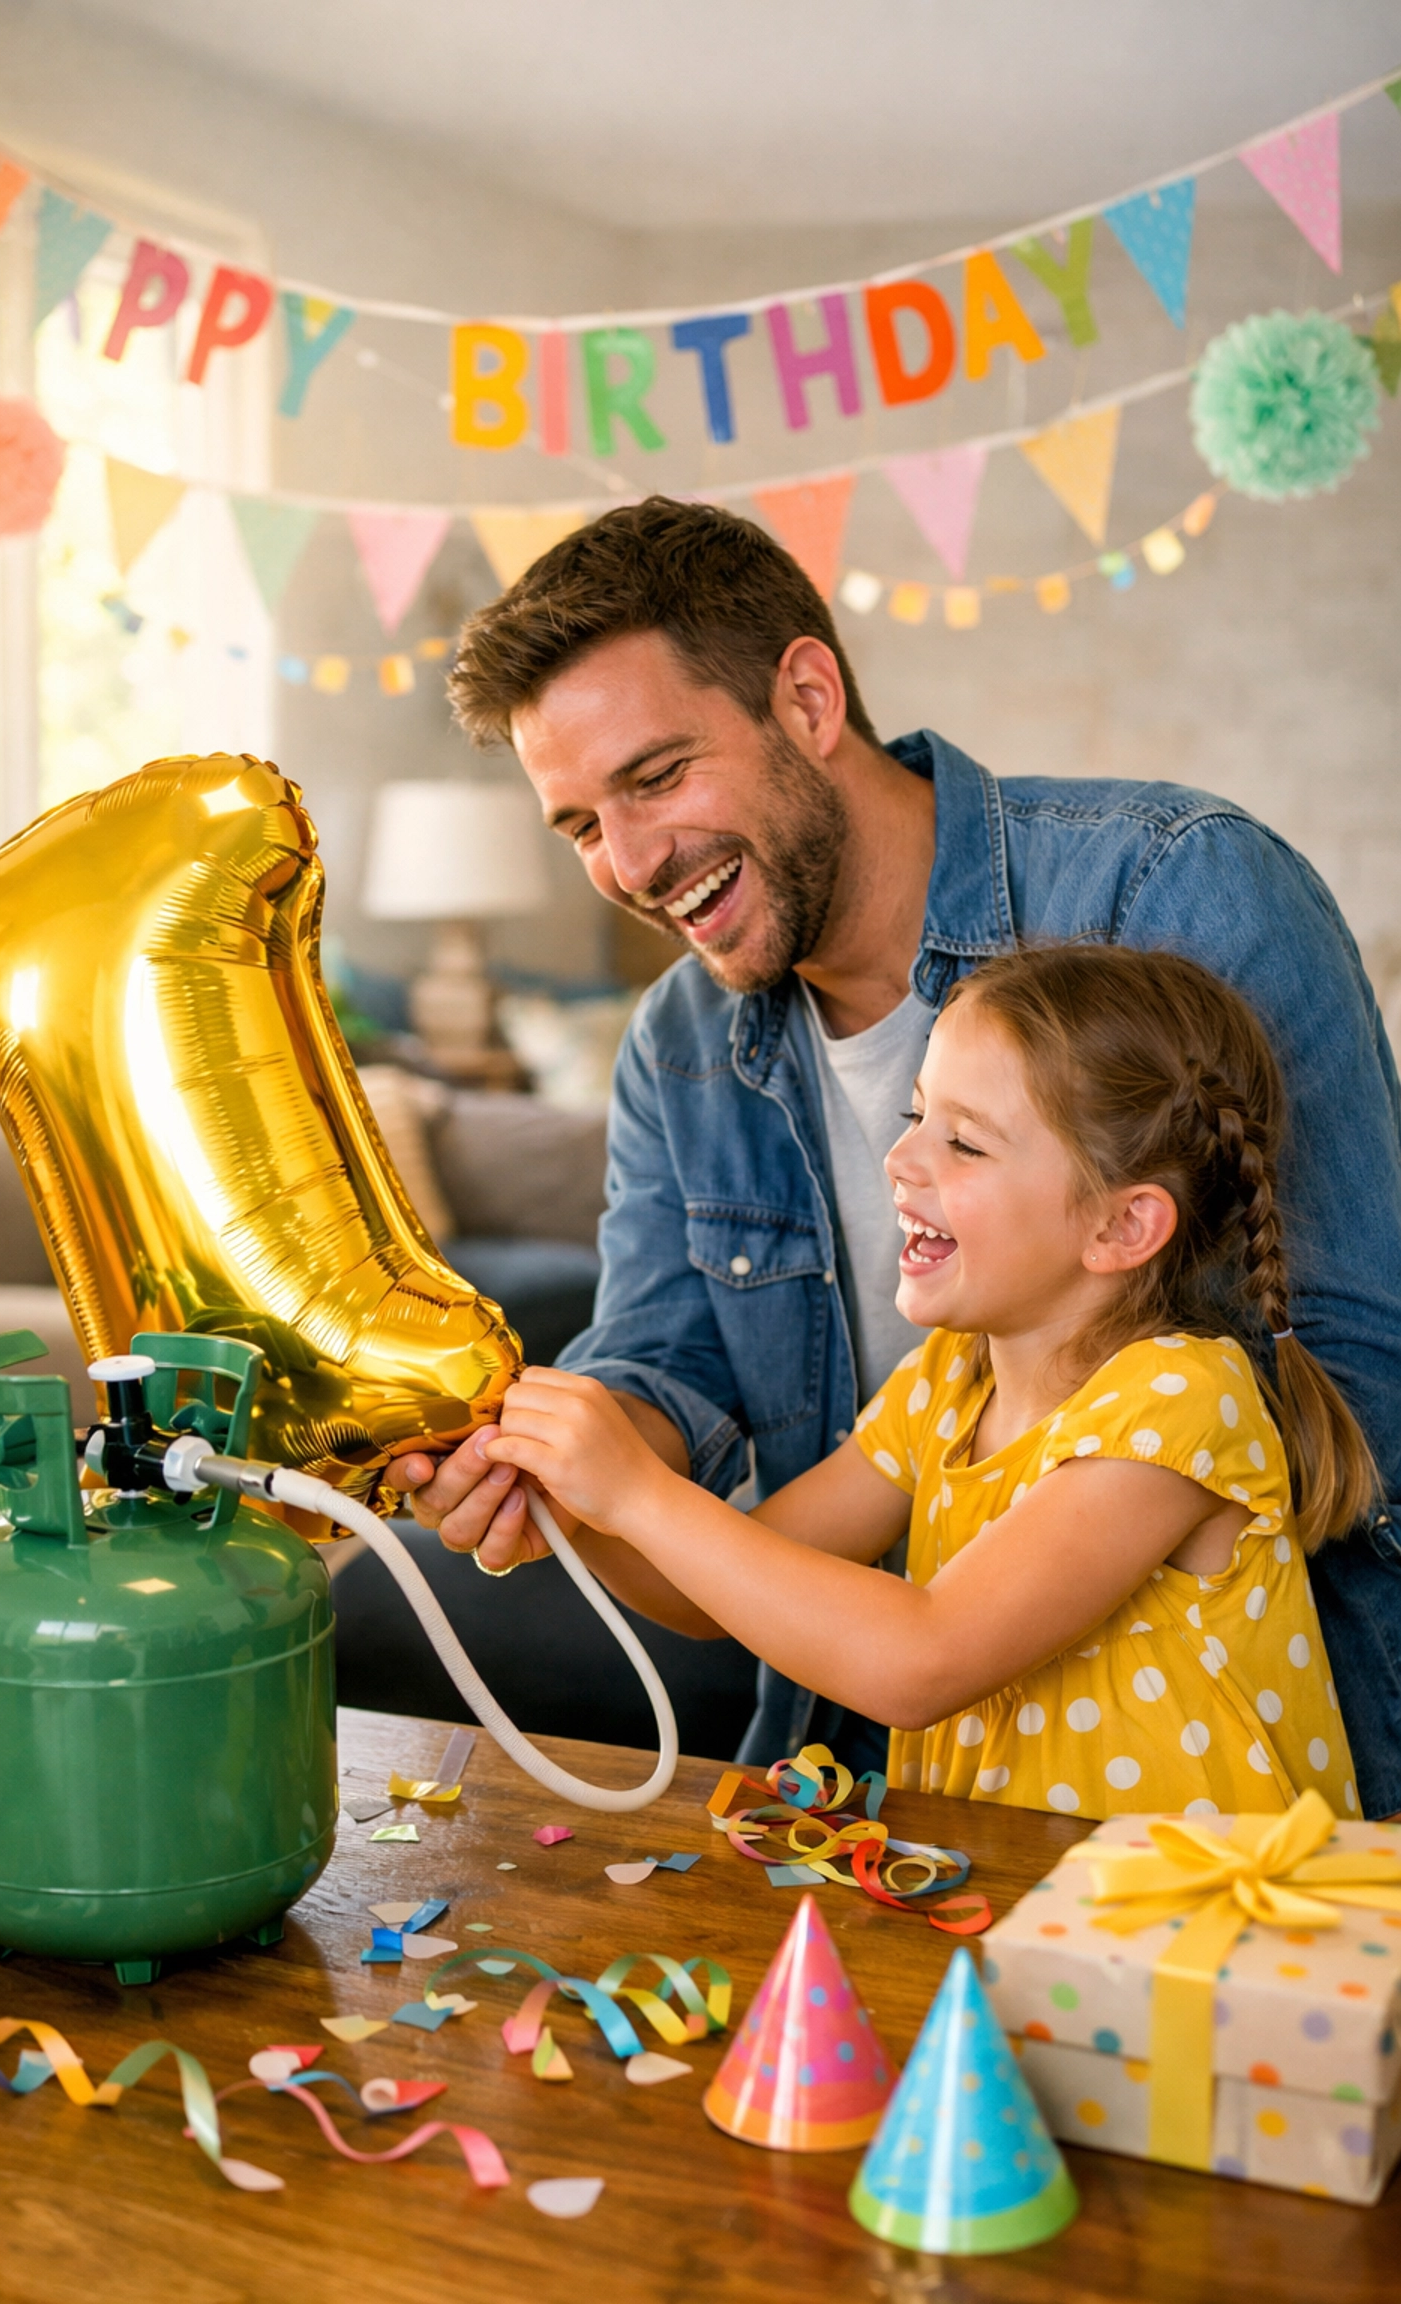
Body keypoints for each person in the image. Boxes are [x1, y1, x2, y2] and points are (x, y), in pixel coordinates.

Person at [390, 496, 1401, 1815]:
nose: (629, 864)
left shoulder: (1177, 888)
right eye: (579, 825)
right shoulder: (682, 1049)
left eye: (657, 776)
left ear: (808, 699)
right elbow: (668, 1406)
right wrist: (556, 1484)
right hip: (896, 1798)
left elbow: (1356, 1387)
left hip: (1211, 1829)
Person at [480, 945, 1368, 1821]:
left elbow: (920, 1661)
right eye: (915, 1115)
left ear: (1121, 1226)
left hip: (1194, 1906)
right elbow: (711, 1590)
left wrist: (635, 1490)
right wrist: (564, 1495)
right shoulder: (946, 1383)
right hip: (1017, 1895)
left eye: (964, 1142)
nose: (900, 1158)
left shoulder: (1180, 1402)